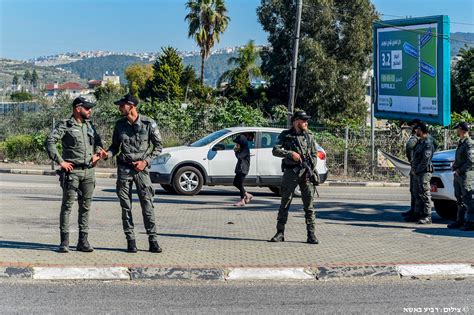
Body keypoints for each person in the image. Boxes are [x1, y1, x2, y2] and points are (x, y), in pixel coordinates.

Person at [45, 97, 106, 253]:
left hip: (89, 172)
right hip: (72, 172)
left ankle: (83, 242)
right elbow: (50, 141)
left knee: (85, 208)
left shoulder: (90, 126)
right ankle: (64, 242)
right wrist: (60, 161)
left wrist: (99, 155)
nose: (90, 110)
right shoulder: (66, 124)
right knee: (67, 207)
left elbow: (99, 144)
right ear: (78, 108)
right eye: (87, 108)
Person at [105, 93, 163, 253]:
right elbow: (114, 147)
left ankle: (153, 240)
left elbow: (158, 147)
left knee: (147, 205)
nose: (119, 107)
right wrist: (106, 154)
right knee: (125, 206)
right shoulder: (119, 125)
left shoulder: (148, 123)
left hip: (142, 170)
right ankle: (131, 241)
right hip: (124, 169)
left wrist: (145, 162)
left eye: (122, 105)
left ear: (131, 106)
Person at [269, 110, 320, 244]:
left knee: (309, 206)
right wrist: (290, 153)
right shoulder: (286, 135)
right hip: (291, 172)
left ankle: (311, 235)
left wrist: (311, 165)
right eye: (303, 120)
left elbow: (315, 154)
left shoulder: (309, 135)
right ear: (296, 121)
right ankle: (280, 233)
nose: (306, 123)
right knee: (285, 202)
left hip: (306, 174)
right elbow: (275, 150)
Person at [448, 122, 473, 231]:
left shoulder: (469, 143)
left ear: (462, 130)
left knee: (468, 199)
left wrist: (460, 170)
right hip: (458, 174)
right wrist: (455, 166)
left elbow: (471, 161)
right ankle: (460, 220)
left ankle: (471, 222)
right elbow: (461, 158)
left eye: (457, 129)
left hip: (466, 175)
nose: (456, 131)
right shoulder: (461, 142)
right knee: (459, 198)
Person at [408, 122, 435, 224]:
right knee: (417, 194)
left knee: (425, 194)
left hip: (423, 172)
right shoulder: (420, 142)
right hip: (417, 172)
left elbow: (425, 161)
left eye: (417, 129)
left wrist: (417, 170)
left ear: (421, 130)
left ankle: (428, 215)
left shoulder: (428, 144)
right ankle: (417, 214)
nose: (416, 131)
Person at [402, 119, 421, 219]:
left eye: (413, 125)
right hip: (415, 165)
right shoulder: (417, 137)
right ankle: (413, 209)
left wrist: (412, 160)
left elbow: (409, 147)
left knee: (417, 190)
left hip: (418, 166)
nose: (411, 127)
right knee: (412, 189)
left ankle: (417, 212)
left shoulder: (418, 137)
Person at [232, 134, 253, 206]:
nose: (237, 144)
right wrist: (237, 150)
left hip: (243, 169)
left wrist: (236, 150)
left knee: (240, 184)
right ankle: (247, 195)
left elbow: (239, 157)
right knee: (235, 183)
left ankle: (242, 201)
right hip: (239, 168)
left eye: (238, 143)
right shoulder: (242, 148)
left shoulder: (245, 149)